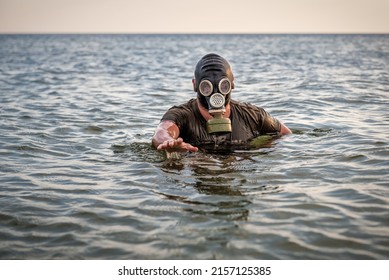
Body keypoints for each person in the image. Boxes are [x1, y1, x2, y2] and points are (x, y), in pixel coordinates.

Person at [152, 53, 292, 153]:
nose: (215, 93)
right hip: (199, 170)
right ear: (195, 85)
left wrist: (261, 149)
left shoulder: (252, 115)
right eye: (206, 87)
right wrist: (169, 143)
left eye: (223, 86)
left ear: (231, 84)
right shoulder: (182, 115)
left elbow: (286, 134)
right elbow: (162, 131)